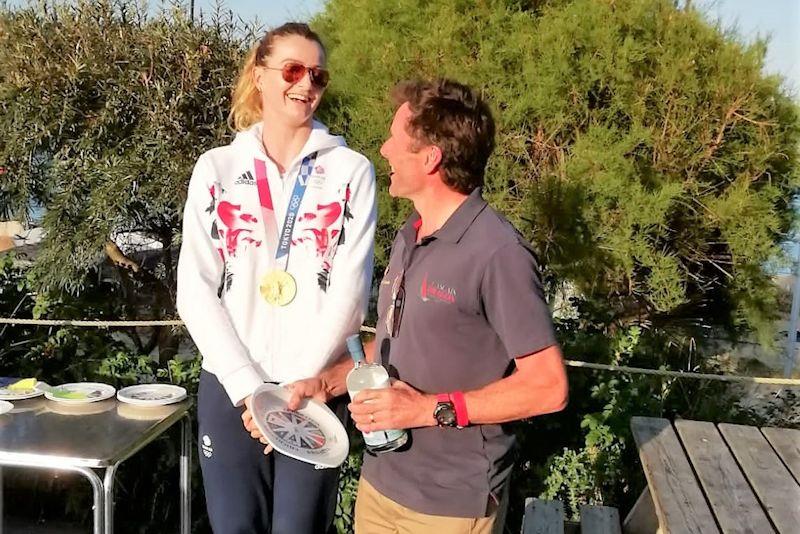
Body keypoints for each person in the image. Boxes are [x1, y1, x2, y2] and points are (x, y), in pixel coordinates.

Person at [176, 22, 376, 534]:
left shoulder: (351, 171)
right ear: (259, 76)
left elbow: (351, 294)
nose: (305, 84)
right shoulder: (216, 168)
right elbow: (195, 290)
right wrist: (250, 391)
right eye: (292, 69)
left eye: (318, 75)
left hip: (312, 389)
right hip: (231, 383)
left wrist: (297, 390)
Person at [348, 79, 569, 534]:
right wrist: (326, 380)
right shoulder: (412, 233)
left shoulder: (497, 253)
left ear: (431, 158)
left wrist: (426, 410)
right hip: (380, 484)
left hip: (450, 504)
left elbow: (548, 388)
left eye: (395, 139)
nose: (385, 149)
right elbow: (403, 341)